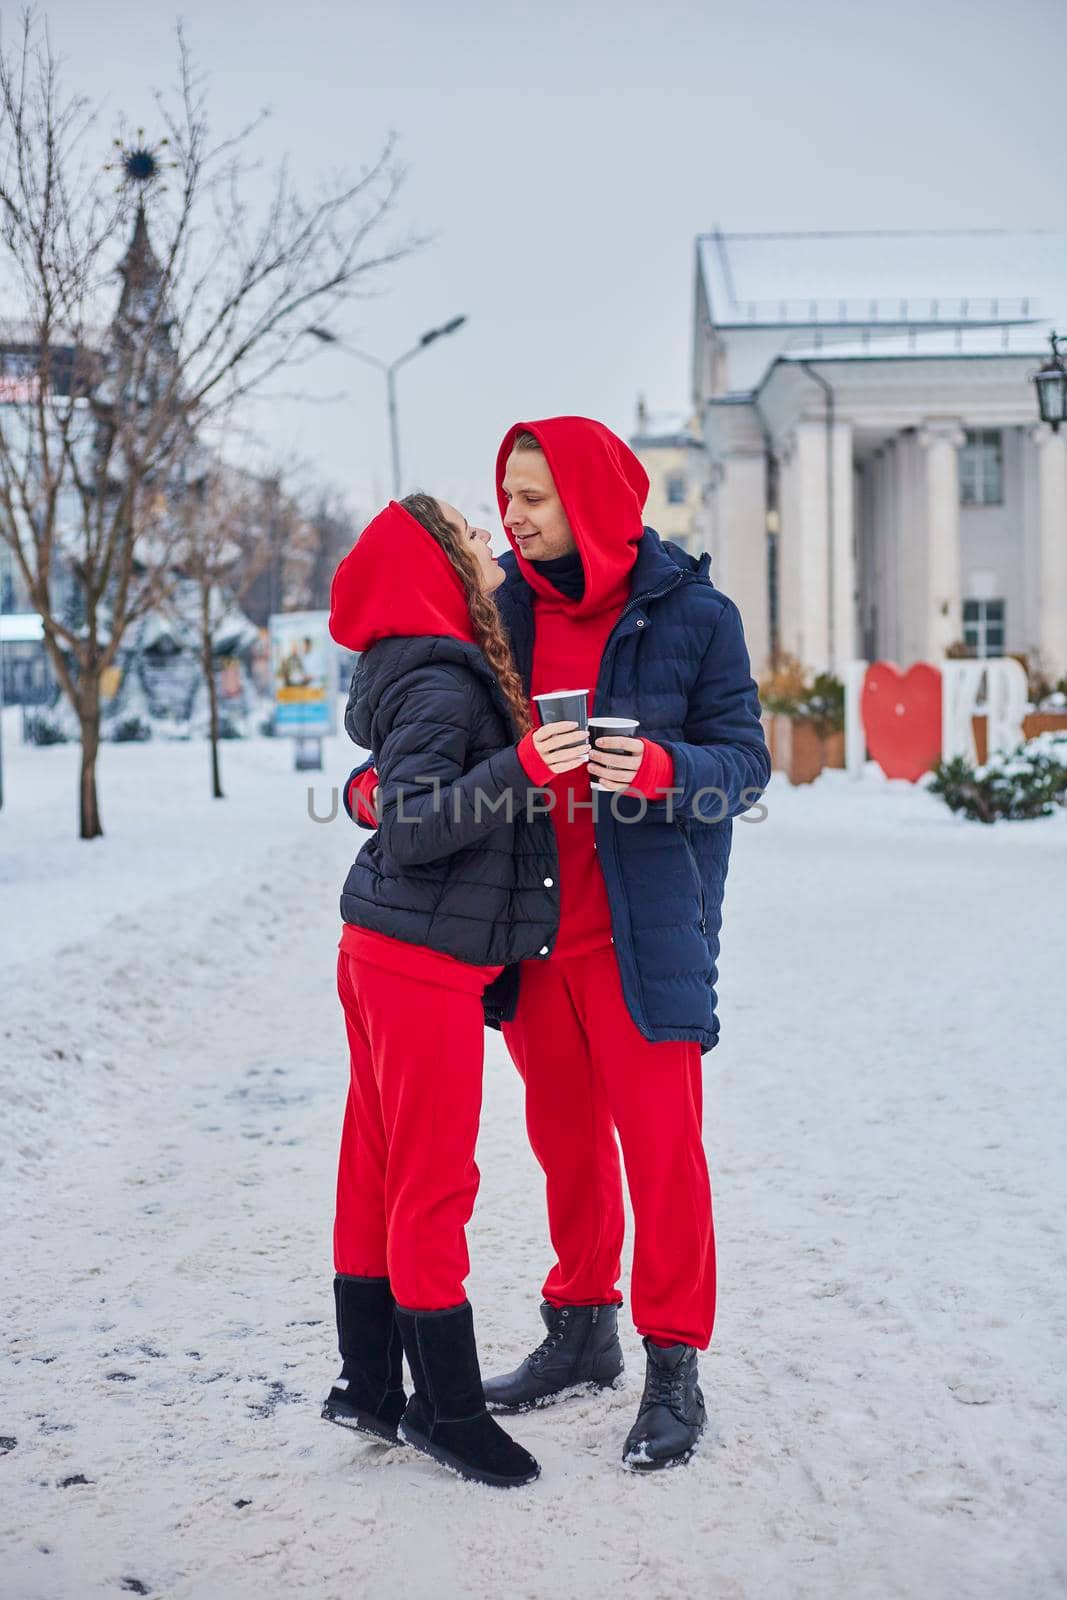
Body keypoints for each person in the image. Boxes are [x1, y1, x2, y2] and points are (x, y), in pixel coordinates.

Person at [346, 419, 770, 1473]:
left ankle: (672, 1362)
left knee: (662, 1152)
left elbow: (746, 765)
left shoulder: (694, 616)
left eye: (533, 496)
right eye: (507, 495)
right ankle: (581, 1326)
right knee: (564, 1142)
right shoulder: (504, 613)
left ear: (593, 498)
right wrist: (369, 796)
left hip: (643, 929)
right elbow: (413, 742)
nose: (514, 517)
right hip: (529, 933)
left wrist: (663, 768)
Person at [324, 492, 588, 1489]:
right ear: (435, 566)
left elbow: (389, 795)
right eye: (471, 535)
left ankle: (369, 1384)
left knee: (376, 1165)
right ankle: (447, 1408)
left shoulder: (419, 665)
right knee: (432, 1179)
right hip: (415, 961)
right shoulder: (440, 676)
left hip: (385, 948)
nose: (488, 539)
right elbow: (417, 823)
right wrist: (524, 763)